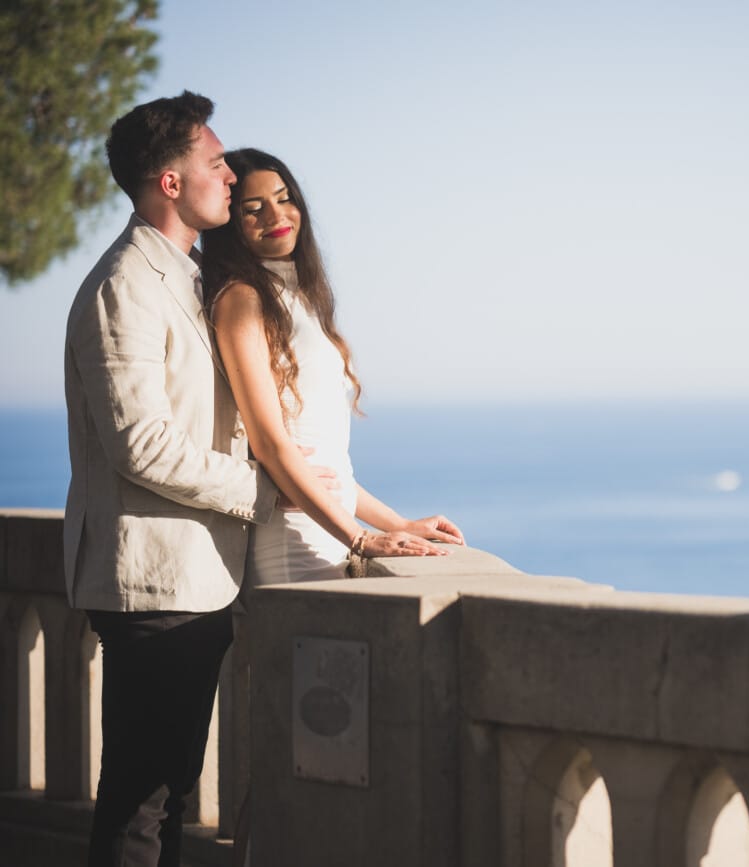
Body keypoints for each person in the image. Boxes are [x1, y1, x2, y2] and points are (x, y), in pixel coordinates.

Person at [64, 91, 283, 867]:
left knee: (165, 796)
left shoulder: (185, 277)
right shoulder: (126, 283)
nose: (230, 176)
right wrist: (258, 491)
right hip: (156, 588)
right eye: (215, 162)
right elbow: (140, 443)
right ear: (169, 181)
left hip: (194, 580)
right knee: (141, 806)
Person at [200, 148, 464, 587]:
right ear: (231, 223)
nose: (276, 215)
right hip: (293, 539)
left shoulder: (301, 299)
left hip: (328, 527)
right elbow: (269, 443)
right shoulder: (242, 298)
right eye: (253, 209)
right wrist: (360, 539)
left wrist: (394, 523)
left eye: (284, 198)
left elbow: (329, 462)